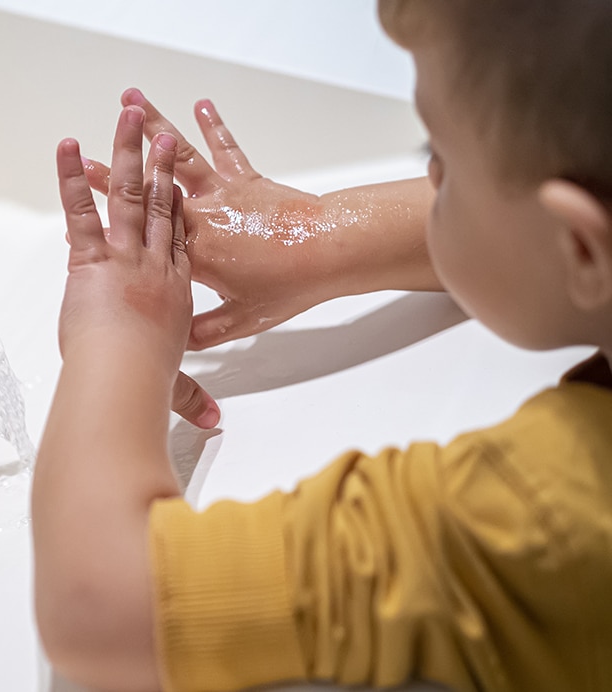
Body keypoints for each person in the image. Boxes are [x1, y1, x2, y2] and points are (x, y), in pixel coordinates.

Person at [32, 1, 612, 690]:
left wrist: (117, 335)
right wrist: (320, 233)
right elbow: (537, 230)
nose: (427, 185)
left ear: (579, 248)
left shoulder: (542, 513)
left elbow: (99, 605)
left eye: (441, 162)